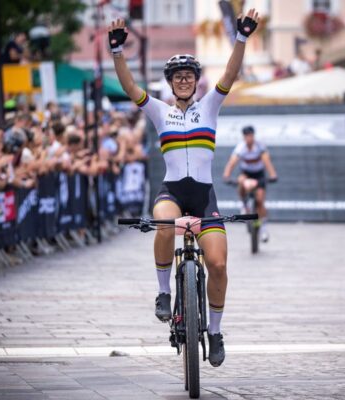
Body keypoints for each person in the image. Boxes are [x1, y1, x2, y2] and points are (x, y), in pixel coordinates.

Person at [109, 8, 260, 367]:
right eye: (177, 77)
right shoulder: (160, 112)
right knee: (164, 224)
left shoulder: (210, 107)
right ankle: (164, 293)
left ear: (195, 81)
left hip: (204, 196)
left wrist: (241, 37)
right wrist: (117, 51)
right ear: (170, 82)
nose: (182, 81)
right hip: (173, 192)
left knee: (218, 265)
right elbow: (130, 87)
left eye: (188, 76)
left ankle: (215, 332)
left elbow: (230, 73)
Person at [222, 125, 278, 242]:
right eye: (247, 136)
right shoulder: (241, 148)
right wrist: (226, 175)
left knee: (260, 200)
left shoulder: (260, 147)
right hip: (246, 173)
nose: (249, 138)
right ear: (244, 137)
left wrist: (273, 175)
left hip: (259, 174)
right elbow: (232, 162)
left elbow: (267, 161)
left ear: (253, 136)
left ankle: (263, 228)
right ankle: (244, 204)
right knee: (241, 180)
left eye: (251, 136)